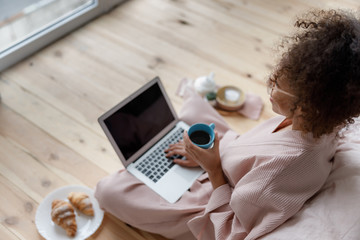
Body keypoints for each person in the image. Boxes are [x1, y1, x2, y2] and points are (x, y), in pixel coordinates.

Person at [95, 9, 360, 240]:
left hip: (214, 202)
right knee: (193, 106)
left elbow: (229, 231)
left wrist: (212, 168)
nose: (269, 83)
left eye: (277, 84)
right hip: (232, 161)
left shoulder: (281, 171)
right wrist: (215, 156)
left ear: (306, 105)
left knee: (108, 192)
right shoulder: (322, 121)